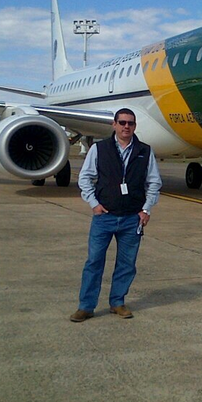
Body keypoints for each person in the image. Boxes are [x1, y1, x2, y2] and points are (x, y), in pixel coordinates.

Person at [70, 108, 162, 322]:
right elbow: (85, 178)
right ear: (114, 124)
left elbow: (154, 182)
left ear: (135, 126)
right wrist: (94, 203)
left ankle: (117, 302)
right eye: (122, 122)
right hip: (104, 217)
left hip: (132, 218)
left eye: (130, 123)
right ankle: (86, 306)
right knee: (94, 262)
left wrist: (146, 209)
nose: (126, 126)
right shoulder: (99, 149)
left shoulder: (144, 151)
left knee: (127, 264)